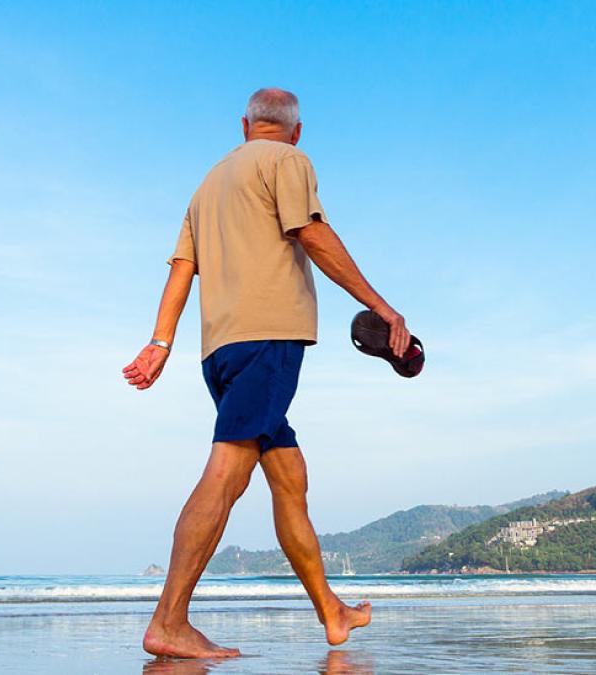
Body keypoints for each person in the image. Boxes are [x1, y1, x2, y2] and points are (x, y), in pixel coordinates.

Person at [123, 87, 411, 659]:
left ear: (245, 125)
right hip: (268, 339)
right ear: (296, 131)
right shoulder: (289, 162)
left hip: (219, 351)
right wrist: (383, 308)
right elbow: (311, 233)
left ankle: (331, 611)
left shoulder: (207, 186)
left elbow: (183, 271)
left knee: (288, 475)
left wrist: (160, 342)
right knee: (228, 471)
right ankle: (169, 621)